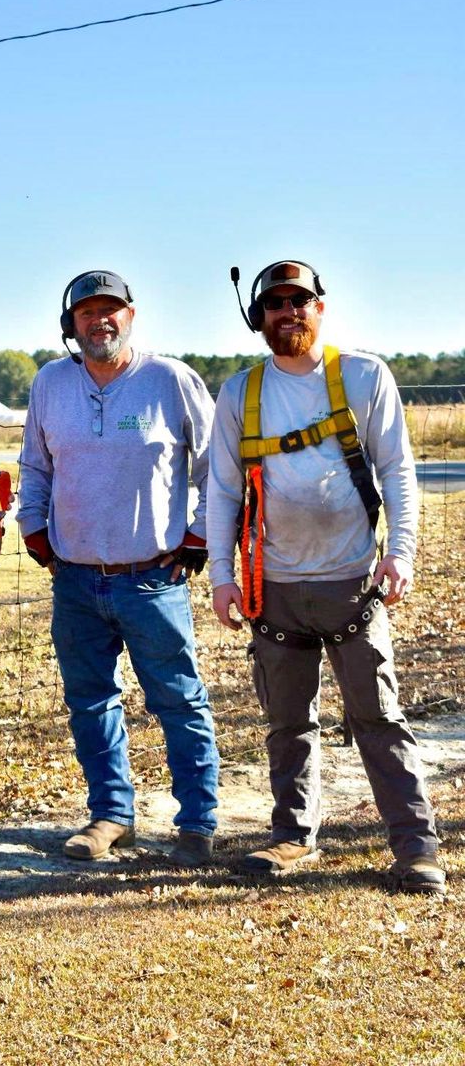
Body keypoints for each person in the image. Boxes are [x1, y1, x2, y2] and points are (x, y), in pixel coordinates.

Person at [207, 259, 444, 894]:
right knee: (287, 723)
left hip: (353, 583)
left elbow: (398, 469)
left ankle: (416, 847)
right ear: (258, 317)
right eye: (275, 303)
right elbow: (224, 489)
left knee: (378, 717)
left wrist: (402, 553)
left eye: (300, 300)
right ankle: (290, 837)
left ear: (321, 306)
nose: (289, 311)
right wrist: (221, 577)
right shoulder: (239, 393)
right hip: (272, 586)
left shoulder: (364, 376)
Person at [17, 270, 219, 865]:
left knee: (178, 701)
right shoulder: (51, 384)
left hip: (153, 578)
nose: (99, 321)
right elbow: (36, 466)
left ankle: (197, 823)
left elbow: (216, 470)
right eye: (87, 312)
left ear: (131, 316)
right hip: (76, 579)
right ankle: (111, 815)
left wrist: (200, 536)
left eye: (112, 310)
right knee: (90, 702)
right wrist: (34, 529)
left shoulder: (171, 380)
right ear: (69, 324)